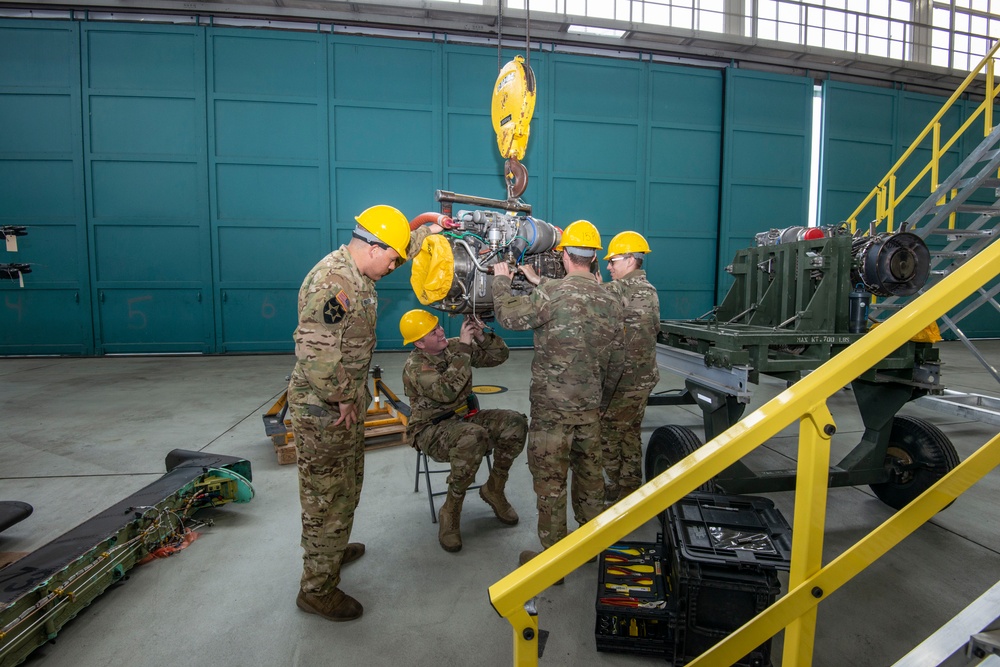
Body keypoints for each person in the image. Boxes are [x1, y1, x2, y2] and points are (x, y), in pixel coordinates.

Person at [288, 204, 442, 622]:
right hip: (323, 409)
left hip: (341, 401)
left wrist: (432, 226)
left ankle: (332, 550)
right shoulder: (334, 282)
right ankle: (317, 588)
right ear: (373, 247)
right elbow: (315, 350)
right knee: (326, 497)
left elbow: (404, 240)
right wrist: (341, 397)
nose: (394, 267)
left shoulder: (360, 268)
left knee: (347, 485)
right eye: (392, 259)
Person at [492, 219, 624, 577]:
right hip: (590, 410)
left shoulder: (551, 296)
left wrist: (502, 278)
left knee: (551, 484)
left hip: (553, 412)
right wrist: (601, 400)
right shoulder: (611, 299)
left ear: (564, 255)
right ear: (594, 257)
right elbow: (617, 362)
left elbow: (507, 316)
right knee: (590, 479)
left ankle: (554, 563)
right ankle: (590, 547)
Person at [399, 310, 528, 552]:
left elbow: (500, 356)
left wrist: (481, 337)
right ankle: (451, 509)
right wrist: (465, 348)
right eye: (432, 331)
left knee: (514, 423)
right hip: (432, 429)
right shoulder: (415, 367)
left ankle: (494, 489)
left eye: (438, 326)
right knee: (473, 437)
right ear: (419, 343)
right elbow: (447, 391)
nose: (440, 331)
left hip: (464, 417)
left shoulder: (454, 347)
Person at [600, 231, 660, 503]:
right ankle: (631, 486)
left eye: (613, 261)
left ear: (630, 260)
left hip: (626, 381)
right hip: (643, 379)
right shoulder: (648, 289)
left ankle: (615, 485)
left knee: (608, 433)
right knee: (630, 433)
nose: (608, 266)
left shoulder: (621, 289)